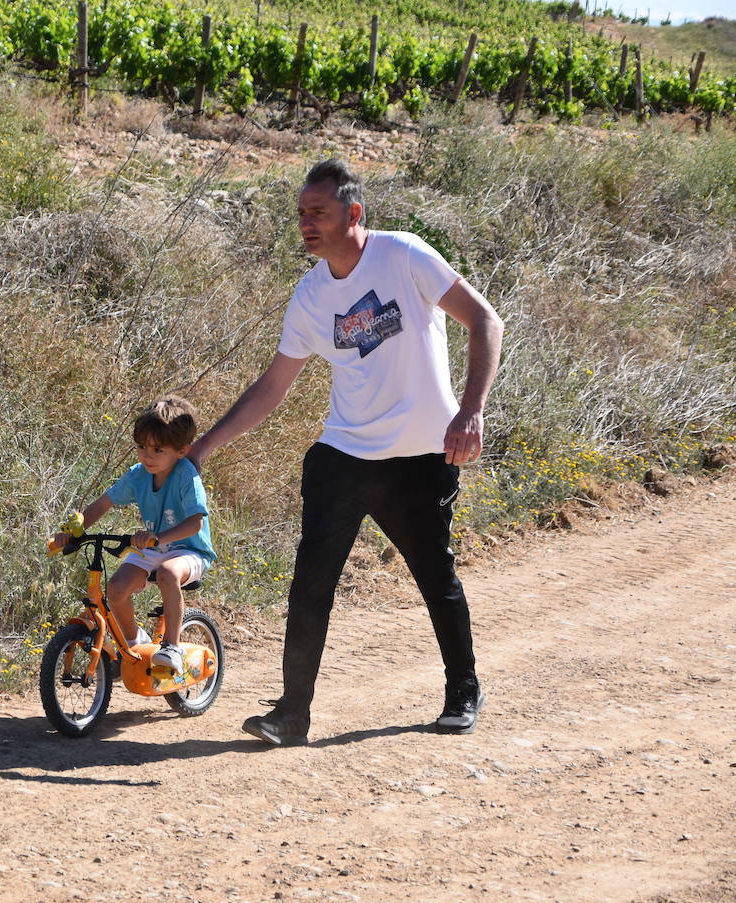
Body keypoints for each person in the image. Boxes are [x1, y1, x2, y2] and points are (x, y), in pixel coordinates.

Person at [189, 158, 504, 746]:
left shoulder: (404, 256)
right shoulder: (310, 296)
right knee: (311, 581)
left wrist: (471, 410)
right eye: (301, 214)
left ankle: (464, 688)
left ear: (353, 213)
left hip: (417, 457)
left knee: (435, 576)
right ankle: (293, 712)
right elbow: (273, 386)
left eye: (319, 213)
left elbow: (485, 320)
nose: (306, 223)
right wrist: (203, 448)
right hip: (344, 453)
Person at [50, 396, 216, 674]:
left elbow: (195, 524)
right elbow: (103, 503)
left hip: (190, 550)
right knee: (116, 588)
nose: (147, 455)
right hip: (155, 547)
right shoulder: (138, 474)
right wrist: (73, 532)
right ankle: (134, 645)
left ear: (182, 450)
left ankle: (172, 647)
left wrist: (158, 538)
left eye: (157, 449)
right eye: (141, 447)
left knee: (167, 573)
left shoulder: (187, 475)